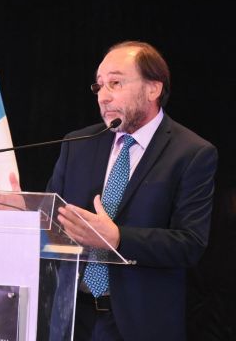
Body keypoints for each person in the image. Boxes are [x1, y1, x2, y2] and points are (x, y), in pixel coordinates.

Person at [46, 40, 218, 340]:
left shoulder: (191, 153)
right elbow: (52, 219)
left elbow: (189, 243)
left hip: (139, 324)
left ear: (153, 89)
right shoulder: (77, 145)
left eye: (115, 83)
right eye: (99, 86)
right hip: (72, 319)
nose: (103, 96)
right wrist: (18, 212)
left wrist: (117, 238)